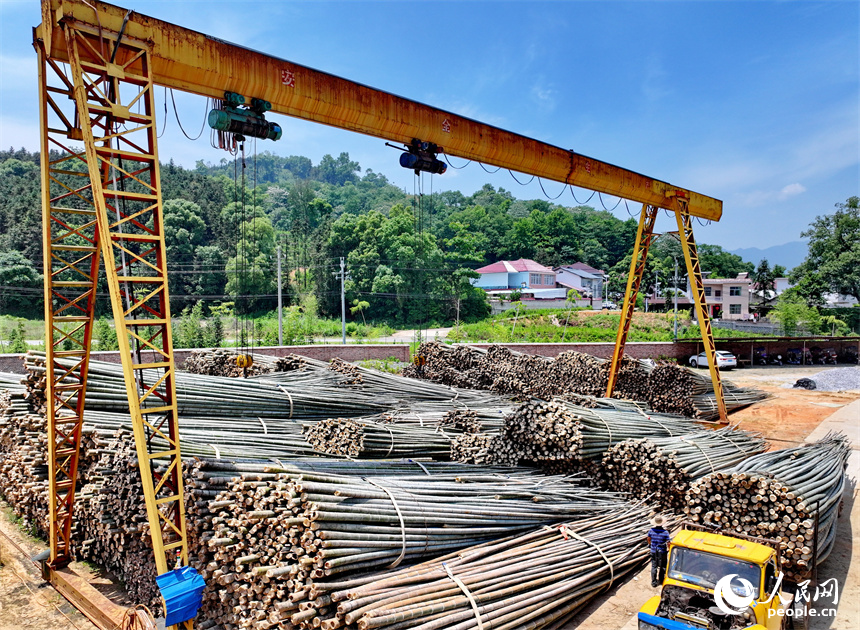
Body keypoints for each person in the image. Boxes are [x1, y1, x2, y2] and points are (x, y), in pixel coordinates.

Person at [648, 515, 670, 587]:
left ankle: (653, 582)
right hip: (662, 552)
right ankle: (661, 580)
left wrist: (650, 545)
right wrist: (669, 549)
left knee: (654, 566)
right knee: (663, 566)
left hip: (654, 551)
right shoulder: (665, 532)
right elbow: (668, 542)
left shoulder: (651, 531)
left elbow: (648, 539)